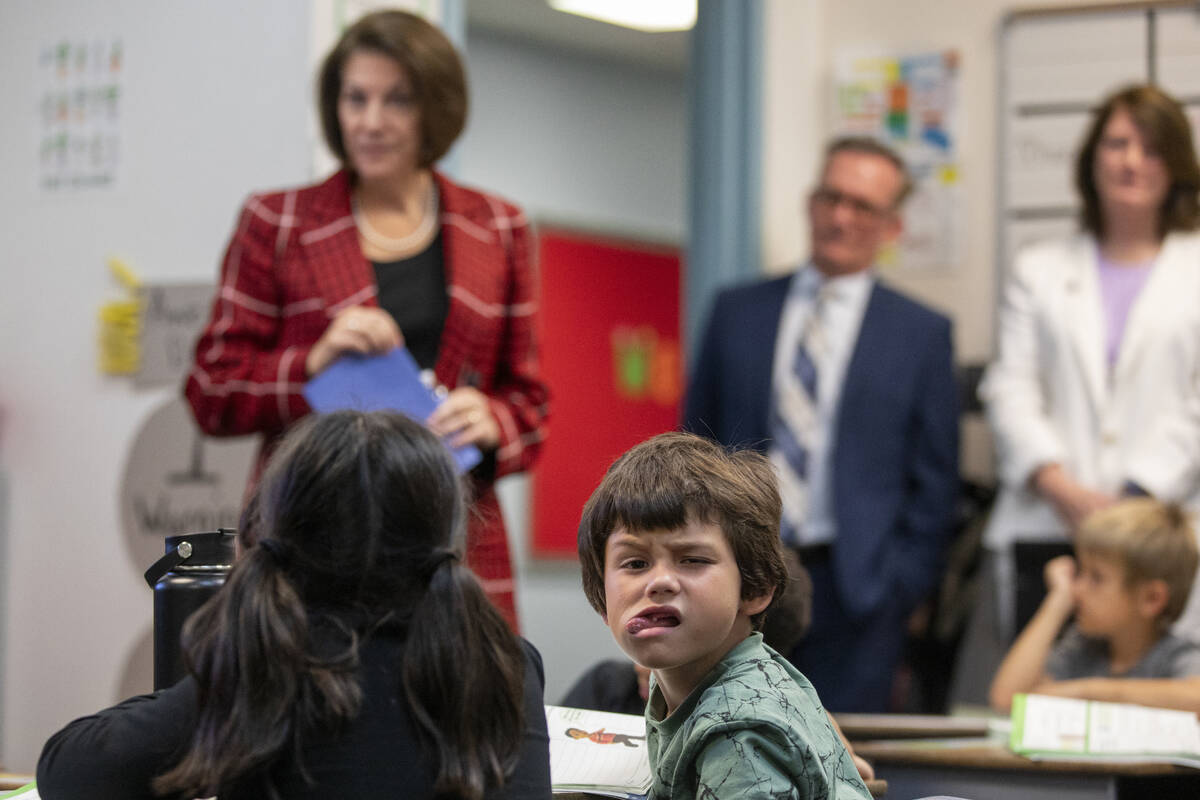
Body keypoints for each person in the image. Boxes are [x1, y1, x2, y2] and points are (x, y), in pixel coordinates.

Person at [184, 9, 548, 628]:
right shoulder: (277, 223)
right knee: (301, 716)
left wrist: (492, 418)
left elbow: (531, 402)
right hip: (309, 532)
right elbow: (211, 389)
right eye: (356, 98)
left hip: (453, 540)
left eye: (397, 101)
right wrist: (311, 362)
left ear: (435, 108)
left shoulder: (499, 227)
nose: (371, 122)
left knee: (464, 714)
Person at [37, 411, 552, 800]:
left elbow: (70, 770)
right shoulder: (509, 664)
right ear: (447, 530)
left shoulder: (271, 665)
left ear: (281, 531)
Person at [683, 136, 960, 712]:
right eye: (830, 197)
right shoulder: (738, 313)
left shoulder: (920, 334)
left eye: (861, 206)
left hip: (859, 589)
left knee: (849, 764)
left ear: (891, 227)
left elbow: (935, 481)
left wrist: (903, 586)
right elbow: (694, 445)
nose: (839, 217)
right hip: (739, 573)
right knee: (734, 741)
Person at [979, 84, 1200, 641]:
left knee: (1156, 710)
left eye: (1151, 149)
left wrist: (1134, 496)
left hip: (1161, 531)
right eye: (1117, 143)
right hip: (1048, 524)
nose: (1131, 161)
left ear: (1175, 165)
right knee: (1039, 706)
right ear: (1090, 157)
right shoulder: (1039, 269)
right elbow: (1010, 389)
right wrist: (1062, 488)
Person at [577, 431, 871, 799]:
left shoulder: (737, 731)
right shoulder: (677, 681)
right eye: (635, 563)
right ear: (603, 602)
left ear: (755, 588)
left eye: (693, 560)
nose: (659, 582)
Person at [989, 499, 1200, 713]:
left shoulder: (1176, 655)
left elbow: (1196, 698)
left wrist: (1086, 692)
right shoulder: (1083, 646)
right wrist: (1058, 601)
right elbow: (1006, 700)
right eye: (1080, 572)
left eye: (1096, 578)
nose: (1078, 589)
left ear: (1151, 599)